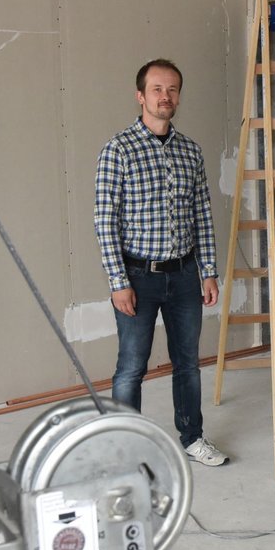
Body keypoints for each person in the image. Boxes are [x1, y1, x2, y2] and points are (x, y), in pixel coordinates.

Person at [94, 58, 228, 466]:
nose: (164, 96)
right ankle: (125, 452)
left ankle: (192, 437)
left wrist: (208, 271)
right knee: (131, 367)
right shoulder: (118, 149)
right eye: (156, 89)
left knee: (188, 364)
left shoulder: (190, 151)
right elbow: (105, 219)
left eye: (172, 89)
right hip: (138, 277)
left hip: (185, 276)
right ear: (141, 96)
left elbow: (202, 214)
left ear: (178, 97)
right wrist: (118, 281)